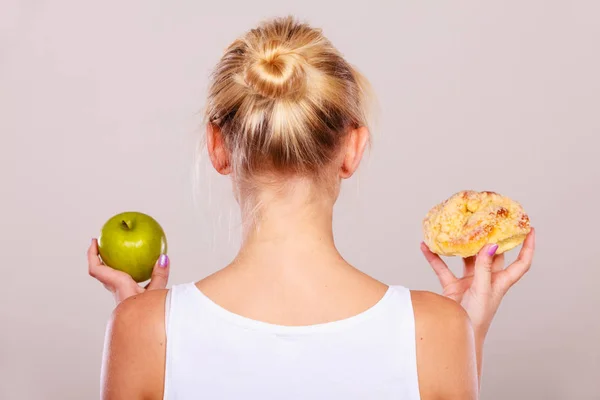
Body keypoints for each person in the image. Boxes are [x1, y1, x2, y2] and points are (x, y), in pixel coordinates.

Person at [88, 16, 535, 400]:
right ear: (353, 149)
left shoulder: (141, 328)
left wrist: (145, 330)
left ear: (217, 146)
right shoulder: (439, 330)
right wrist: (462, 334)